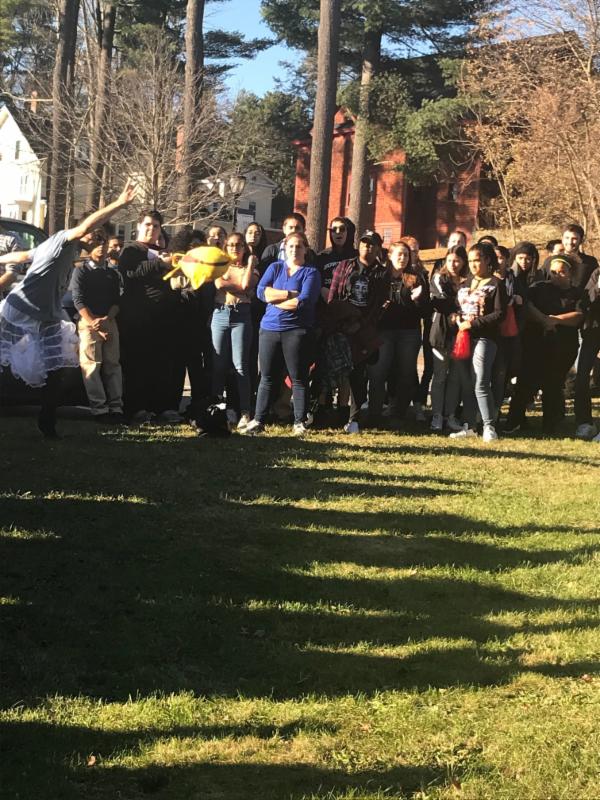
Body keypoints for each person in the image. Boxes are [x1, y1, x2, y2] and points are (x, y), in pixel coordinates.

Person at [0, 180, 136, 437]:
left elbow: (23, 256)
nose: (98, 240)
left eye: (102, 237)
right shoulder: (63, 239)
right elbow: (85, 227)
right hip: (21, 309)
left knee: (55, 370)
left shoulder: (67, 250)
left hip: (47, 316)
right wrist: (120, 203)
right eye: (95, 235)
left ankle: (47, 423)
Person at [245, 232, 321, 436]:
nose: (294, 250)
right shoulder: (275, 267)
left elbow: (304, 301)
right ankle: (258, 420)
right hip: (269, 329)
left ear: (306, 249)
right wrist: (288, 295)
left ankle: (299, 422)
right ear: (285, 249)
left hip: (296, 331)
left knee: (298, 377)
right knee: (267, 377)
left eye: (299, 246)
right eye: (291, 246)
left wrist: (275, 299)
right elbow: (261, 292)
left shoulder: (311, 273)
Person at [118, 209, 182, 423]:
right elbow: (131, 271)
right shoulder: (131, 250)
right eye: (147, 225)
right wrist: (161, 263)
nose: (151, 229)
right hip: (138, 319)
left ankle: (161, 408)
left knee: (161, 365)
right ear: (138, 226)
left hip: (163, 319)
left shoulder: (164, 251)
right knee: (138, 366)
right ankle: (137, 409)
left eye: (156, 226)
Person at [506, 255, 583, 434]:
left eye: (562, 272)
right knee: (526, 382)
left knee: (553, 384)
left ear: (570, 273)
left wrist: (555, 320)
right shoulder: (539, 288)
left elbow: (579, 316)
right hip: (536, 342)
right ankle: (514, 421)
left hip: (563, 345)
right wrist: (543, 319)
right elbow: (527, 305)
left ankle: (550, 424)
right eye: (553, 272)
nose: (557, 275)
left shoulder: (577, 293)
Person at [327, 230, 390, 433]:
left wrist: (361, 325)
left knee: (358, 374)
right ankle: (324, 412)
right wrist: (340, 321)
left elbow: (381, 305)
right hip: (341, 326)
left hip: (364, 330)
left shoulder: (382, 273)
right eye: (363, 243)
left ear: (378, 248)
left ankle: (354, 418)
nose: (367, 247)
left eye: (371, 244)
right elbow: (333, 296)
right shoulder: (345, 266)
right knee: (333, 370)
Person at [449, 242, 507, 441]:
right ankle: (470, 426)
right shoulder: (466, 283)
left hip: (485, 338)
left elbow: (499, 314)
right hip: (463, 338)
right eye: (471, 261)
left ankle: (489, 426)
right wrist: (456, 318)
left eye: (477, 260)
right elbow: (458, 307)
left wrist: (473, 323)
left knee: (480, 381)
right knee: (467, 382)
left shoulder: (496, 284)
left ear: (488, 260)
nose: (473, 265)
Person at [368, 240, 430, 423]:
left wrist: (418, 299)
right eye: (399, 254)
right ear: (390, 256)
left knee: (406, 373)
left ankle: (399, 413)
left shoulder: (416, 278)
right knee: (378, 372)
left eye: (406, 255)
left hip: (408, 332)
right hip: (384, 331)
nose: (403, 258)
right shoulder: (380, 276)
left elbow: (425, 311)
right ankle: (374, 413)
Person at [70, 228, 123, 421]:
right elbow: (78, 300)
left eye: (104, 242)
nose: (101, 246)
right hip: (88, 322)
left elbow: (117, 300)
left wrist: (107, 319)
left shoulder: (112, 273)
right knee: (91, 365)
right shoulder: (81, 270)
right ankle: (99, 409)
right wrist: (93, 322)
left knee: (113, 365)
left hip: (109, 320)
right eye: (97, 242)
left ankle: (116, 407)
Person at [211, 232, 260, 430]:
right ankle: (215, 408)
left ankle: (245, 412)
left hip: (242, 316)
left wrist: (249, 266)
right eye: (230, 244)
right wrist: (240, 288)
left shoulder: (252, 269)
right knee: (218, 364)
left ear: (244, 248)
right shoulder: (220, 265)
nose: (234, 248)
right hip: (220, 314)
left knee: (240, 365)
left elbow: (247, 285)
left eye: (238, 245)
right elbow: (219, 283)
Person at [429, 245, 470, 432]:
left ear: (463, 262)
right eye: (450, 260)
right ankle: (437, 414)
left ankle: (450, 415)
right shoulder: (439, 278)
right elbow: (439, 301)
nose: (453, 264)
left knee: (455, 377)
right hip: (442, 331)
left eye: (457, 261)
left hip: (461, 333)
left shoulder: (469, 280)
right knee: (439, 376)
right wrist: (456, 311)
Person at [573, 264, 600, 440]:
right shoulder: (597, 273)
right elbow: (585, 300)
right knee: (582, 376)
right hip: (593, 330)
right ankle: (584, 422)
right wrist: (597, 289)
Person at [540, 224, 598, 292]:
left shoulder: (590, 262)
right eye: (567, 238)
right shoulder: (551, 261)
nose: (570, 242)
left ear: (581, 240)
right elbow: (540, 284)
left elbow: (594, 289)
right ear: (562, 239)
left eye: (574, 239)